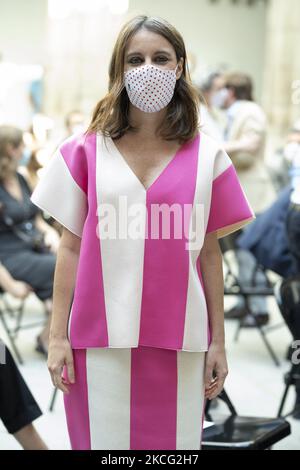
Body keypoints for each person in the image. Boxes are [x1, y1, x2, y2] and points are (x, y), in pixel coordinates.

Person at [30, 15, 255, 450]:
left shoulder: (208, 156)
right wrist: (57, 337)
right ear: (118, 71)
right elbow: (70, 249)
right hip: (95, 344)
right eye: (135, 59)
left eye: (160, 57)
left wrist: (218, 342)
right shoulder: (83, 151)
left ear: (179, 68)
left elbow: (209, 254)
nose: (147, 67)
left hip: (181, 343)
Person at [214, 72, 276, 326]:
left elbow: (251, 144)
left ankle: (259, 309)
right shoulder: (232, 114)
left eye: (220, 89)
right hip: (237, 193)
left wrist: (216, 148)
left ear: (230, 92)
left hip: (254, 193)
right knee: (239, 253)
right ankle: (245, 303)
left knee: (250, 251)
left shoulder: (250, 111)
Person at [0, 125, 59, 354]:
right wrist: (10, 285)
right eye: (22, 145)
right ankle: (48, 338)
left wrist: (51, 233)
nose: (26, 149)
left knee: (76, 259)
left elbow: (35, 219)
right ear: (10, 149)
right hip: (10, 256)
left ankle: (53, 324)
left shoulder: (20, 178)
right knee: (68, 269)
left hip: (32, 246)